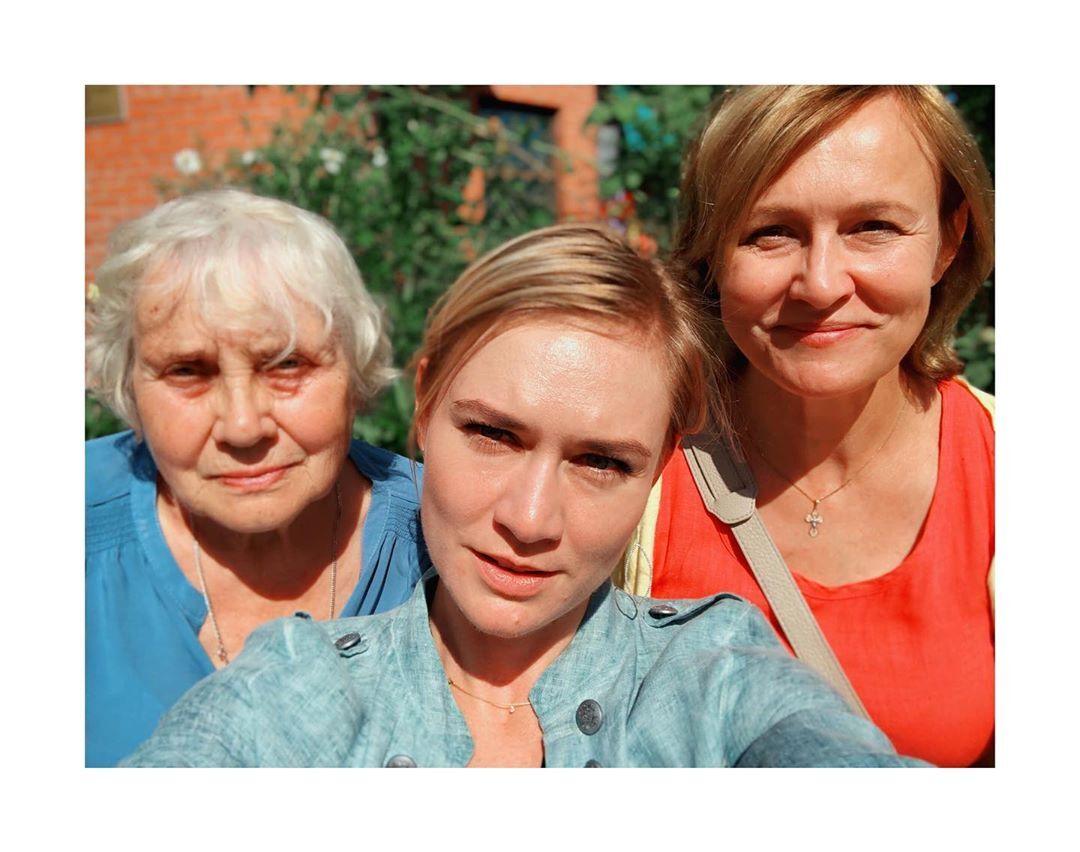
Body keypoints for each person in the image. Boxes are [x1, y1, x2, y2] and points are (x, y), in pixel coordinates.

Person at [123, 224, 925, 767]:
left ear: (657, 470)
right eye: (493, 435)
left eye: (601, 462)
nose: (529, 519)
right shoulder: (294, 684)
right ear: (425, 405)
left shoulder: (714, 674)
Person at [622, 86, 994, 766]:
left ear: (949, 239)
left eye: (873, 226)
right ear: (712, 252)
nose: (820, 285)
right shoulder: (624, 465)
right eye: (771, 232)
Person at [85, 189, 428, 766]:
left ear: (355, 370)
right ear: (127, 385)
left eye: (287, 363)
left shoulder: (447, 540)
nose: (243, 427)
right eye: (187, 370)